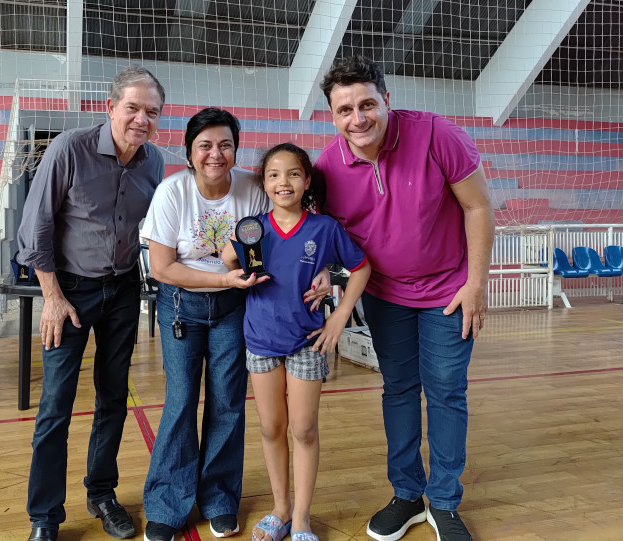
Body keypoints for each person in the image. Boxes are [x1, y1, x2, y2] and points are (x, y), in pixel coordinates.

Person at [314, 56, 495, 541]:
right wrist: (322, 277)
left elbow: (478, 206)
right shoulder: (327, 167)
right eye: (345, 110)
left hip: (448, 292)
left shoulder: (438, 135)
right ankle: (407, 494)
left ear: (386, 101)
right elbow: (323, 237)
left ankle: (444, 501)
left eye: (367, 104)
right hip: (385, 296)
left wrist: (476, 284)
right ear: (332, 116)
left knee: (446, 391)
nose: (358, 119)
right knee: (398, 390)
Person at [139, 109, 329, 541]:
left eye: (225, 144)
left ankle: (220, 500)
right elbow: (162, 268)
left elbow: (294, 226)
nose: (215, 154)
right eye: (205, 145)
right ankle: (168, 504)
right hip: (182, 305)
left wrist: (321, 269)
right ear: (189, 152)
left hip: (234, 307)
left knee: (227, 402)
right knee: (181, 401)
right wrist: (223, 278)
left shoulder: (253, 188)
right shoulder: (172, 192)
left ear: (236, 150)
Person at [16, 65, 166, 541]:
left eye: (152, 112)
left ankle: (101, 494)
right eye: (133, 108)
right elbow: (35, 227)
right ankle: (45, 517)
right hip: (69, 292)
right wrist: (52, 297)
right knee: (56, 405)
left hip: (122, 290)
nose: (141, 119)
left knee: (114, 397)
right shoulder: (69, 148)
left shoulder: (154, 163)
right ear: (110, 107)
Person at [222, 143, 370, 541]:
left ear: (306, 181)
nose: (282, 182)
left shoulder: (324, 228)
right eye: (273, 175)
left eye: (292, 174)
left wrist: (339, 309)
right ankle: (281, 510)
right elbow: (228, 259)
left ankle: (302, 518)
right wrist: (237, 249)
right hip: (261, 341)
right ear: (264, 184)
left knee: (303, 430)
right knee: (272, 428)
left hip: (307, 341)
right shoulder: (255, 228)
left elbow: (359, 267)